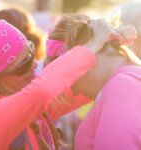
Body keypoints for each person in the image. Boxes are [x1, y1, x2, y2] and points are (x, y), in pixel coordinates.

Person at [0, 18, 119, 150]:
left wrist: (113, 48)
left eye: (30, 52)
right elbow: (42, 92)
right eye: (24, 65)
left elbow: (78, 92)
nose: (34, 65)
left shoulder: (28, 106)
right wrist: (90, 47)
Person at [44, 13, 140, 150]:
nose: (73, 91)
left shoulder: (122, 86)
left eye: (68, 78)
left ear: (86, 56)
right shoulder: (126, 81)